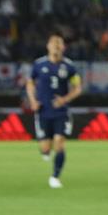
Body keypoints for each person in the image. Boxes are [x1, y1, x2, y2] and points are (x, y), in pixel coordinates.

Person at [26, 33, 81, 189]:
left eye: (59, 43)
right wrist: (32, 101)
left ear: (63, 47)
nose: (56, 46)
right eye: (53, 43)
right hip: (43, 111)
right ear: (48, 46)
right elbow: (30, 83)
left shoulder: (69, 66)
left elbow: (78, 88)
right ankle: (45, 151)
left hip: (61, 112)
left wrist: (65, 99)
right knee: (45, 147)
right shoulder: (38, 65)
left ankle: (55, 176)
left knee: (59, 143)